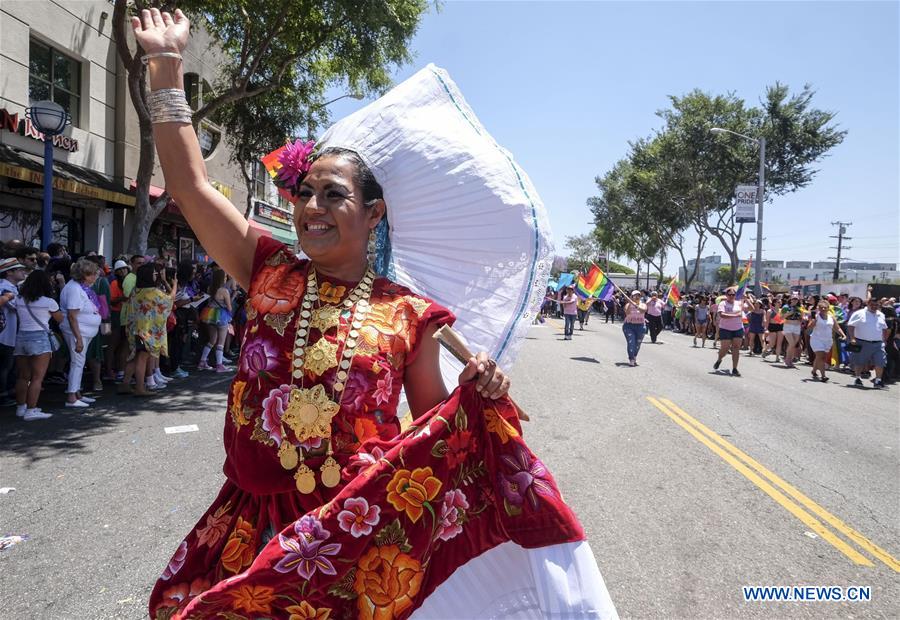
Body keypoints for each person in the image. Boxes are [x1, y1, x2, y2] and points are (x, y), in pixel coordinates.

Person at [136, 9, 615, 620]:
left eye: (333, 194)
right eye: (305, 192)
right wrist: (166, 67)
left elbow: (433, 418)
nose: (312, 205)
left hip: (356, 532)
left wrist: (479, 392)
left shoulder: (409, 314)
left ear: (374, 215)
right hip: (250, 521)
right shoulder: (266, 267)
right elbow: (192, 186)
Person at [120, 263, 177, 397]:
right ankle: (140, 387)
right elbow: (170, 300)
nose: (156, 275)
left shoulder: (136, 290)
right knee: (142, 358)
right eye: (154, 273)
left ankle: (125, 384)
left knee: (134, 356)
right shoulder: (153, 292)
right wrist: (174, 284)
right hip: (146, 331)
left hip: (134, 328)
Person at [13, 270, 62, 420]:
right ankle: (31, 410)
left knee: (23, 376)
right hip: (40, 337)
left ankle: (21, 407)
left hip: (21, 337)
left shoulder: (19, 299)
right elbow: (60, 319)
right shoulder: (49, 302)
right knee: (37, 378)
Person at [59, 258, 103, 407]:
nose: (95, 277)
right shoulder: (74, 289)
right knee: (77, 362)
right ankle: (72, 397)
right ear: (84, 275)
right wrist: (78, 338)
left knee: (79, 362)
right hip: (78, 332)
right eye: (92, 274)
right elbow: (72, 316)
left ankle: (77, 393)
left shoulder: (79, 287)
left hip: (83, 331)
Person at [0, 258, 28, 407]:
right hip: (4, 335)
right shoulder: (6, 288)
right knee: (5, 367)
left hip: (8, 334)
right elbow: (16, 307)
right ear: (9, 272)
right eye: (18, 269)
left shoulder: (12, 287)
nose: (23, 271)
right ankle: (3, 396)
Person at [847, 296, 889, 388]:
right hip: (862, 342)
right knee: (859, 362)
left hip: (878, 343)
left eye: (876, 305)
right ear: (867, 304)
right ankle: (858, 378)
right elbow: (850, 326)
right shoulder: (859, 313)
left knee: (880, 361)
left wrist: (884, 340)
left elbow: (884, 328)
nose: (874, 306)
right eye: (872, 305)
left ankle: (878, 380)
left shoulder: (881, 314)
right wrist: (852, 338)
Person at [197, 268, 233, 370]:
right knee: (221, 341)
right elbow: (229, 307)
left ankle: (202, 361)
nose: (226, 278)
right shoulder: (224, 291)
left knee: (212, 340)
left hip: (209, 314)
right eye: (225, 276)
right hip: (221, 315)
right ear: (222, 278)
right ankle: (219, 365)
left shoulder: (210, 288)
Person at [807, 300, 846, 382]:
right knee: (821, 356)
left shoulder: (831, 317)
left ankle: (814, 371)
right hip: (816, 339)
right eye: (821, 307)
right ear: (819, 308)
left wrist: (843, 334)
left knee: (820, 357)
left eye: (825, 307)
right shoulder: (816, 317)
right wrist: (813, 321)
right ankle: (823, 376)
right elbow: (809, 328)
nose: (823, 309)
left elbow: (837, 327)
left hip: (828, 340)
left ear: (828, 308)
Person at [713, 287, 747, 376]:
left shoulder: (739, 303)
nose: (731, 296)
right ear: (726, 295)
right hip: (725, 329)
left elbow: (751, 309)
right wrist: (735, 315)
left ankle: (735, 368)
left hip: (738, 328)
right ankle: (719, 359)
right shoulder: (722, 303)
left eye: (733, 294)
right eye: (729, 294)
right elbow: (722, 315)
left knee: (736, 348)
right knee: (725, 349)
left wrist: (746, 299)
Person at [781, 294, 806, 368]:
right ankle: (787, 359)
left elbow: (802, 317)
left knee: (793, 345)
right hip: (788, 326)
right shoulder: (786, 307)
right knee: (791, 343)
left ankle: (789, 360)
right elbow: (780, 317)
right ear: (790, 299)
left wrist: (803, 318)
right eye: (793, 299)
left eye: (796, 299)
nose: (795, 300)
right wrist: (789, 313)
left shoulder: (800, 308)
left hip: (797, 327)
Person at [623, 290, 646, 366]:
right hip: (629, 326)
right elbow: (627, 312)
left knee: (637, 344)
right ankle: (631, 359)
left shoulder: (643, 304)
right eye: (635, 295)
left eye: (638, 295)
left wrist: (636, 305)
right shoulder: (627, 305)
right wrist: (630, 303)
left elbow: (643, 311)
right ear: (631, 297)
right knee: (631, 342)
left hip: (640, 327)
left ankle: (634, 356)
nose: (637, 297)